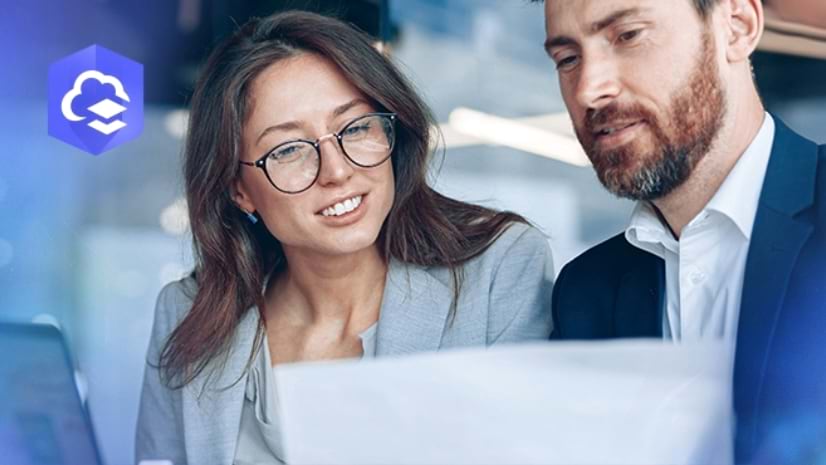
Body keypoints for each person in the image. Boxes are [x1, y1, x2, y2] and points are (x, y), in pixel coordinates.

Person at [135, 10, 554, 465]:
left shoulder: (498, 272)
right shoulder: (187, 314)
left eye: (355, 128)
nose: (337, 171)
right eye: (289, 149)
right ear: (239, 190)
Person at [538, 0, 826, 463]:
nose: (590, 89)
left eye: (628, 35)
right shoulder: (585, 292)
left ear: (736, 27)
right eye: (567, 59)